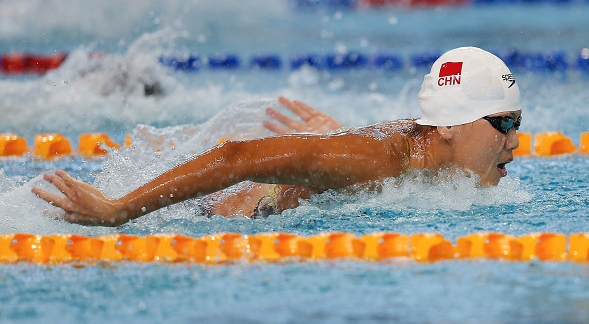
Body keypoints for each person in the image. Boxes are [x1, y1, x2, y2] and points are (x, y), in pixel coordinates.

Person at [32, 47, 522, 226]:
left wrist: (331, 144)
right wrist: (119, 209)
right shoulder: (384, 160)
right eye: (501, 123)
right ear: (450, 128)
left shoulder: (430, 154)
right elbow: (237, 156)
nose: (515, 142)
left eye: (516, 123)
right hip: (214, 213)